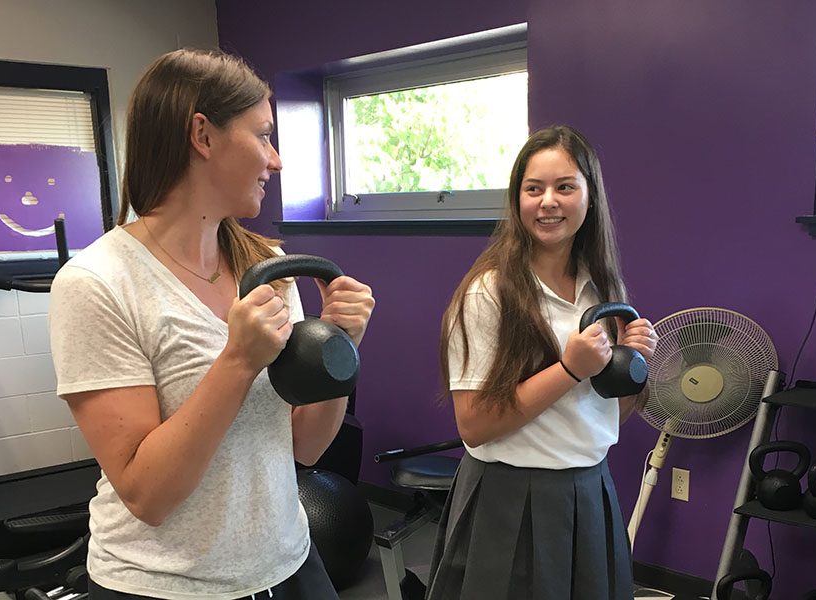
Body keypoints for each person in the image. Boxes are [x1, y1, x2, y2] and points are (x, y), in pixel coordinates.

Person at [48, 48, 374, 600]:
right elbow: (148, 496)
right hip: (162, 584)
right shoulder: (97, 282)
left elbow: (305, 447)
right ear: (203, 135)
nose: (276, 161)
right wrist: (238, 361)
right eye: (263, 136)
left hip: (288, 563)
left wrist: (341, 348)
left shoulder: (268, 269)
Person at [426, 125, 657, 600]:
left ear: (590, 197)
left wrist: (631, 368)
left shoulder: (603, 290)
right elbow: (473, 425)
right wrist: (569, 369)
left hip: (589, 493)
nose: (548, 201)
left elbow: (603, 417)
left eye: (564, 187)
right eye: (534, 188)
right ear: (517, 201)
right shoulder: (488, 293)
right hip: (510, 499)